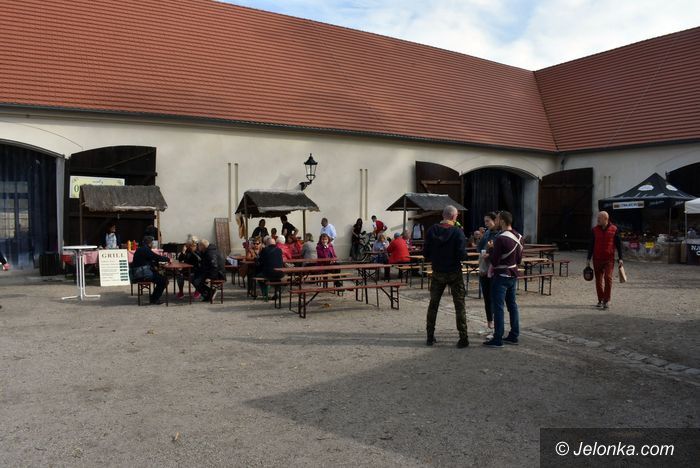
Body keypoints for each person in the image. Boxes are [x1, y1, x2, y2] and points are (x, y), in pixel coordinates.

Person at [424, 205, 468, 348]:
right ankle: (463, 338)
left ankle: (430, 337)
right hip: (454, 272)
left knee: (433, 305)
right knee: (459, 305)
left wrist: (436, 258)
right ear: (454, 217)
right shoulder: (458, 232)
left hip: (437, 272)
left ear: (443, 215)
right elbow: (462, 254)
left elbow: (426, 252)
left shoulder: (432, 230)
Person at [483, 211, 523, 348]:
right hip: (513, 274)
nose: (497, 221)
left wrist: (490, 250)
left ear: (503, 221)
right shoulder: (519, 236)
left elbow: (494, 261)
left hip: (501, 275)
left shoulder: (500, 238)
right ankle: (514, 335)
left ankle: (498, 338)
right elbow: (519, 260)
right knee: (512, 306)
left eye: (498, 219)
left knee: (498, 307)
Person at [587, 211, 623, 309]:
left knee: (608, 278)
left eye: (599, 218)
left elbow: (619, 245)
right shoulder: (594, 230)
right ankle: (600, 299)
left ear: (606, 219)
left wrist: (620, 258)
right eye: (597, 218)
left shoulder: (614, 229)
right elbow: (591, 245)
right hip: (597, 259)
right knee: (598, 280)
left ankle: (606, 300)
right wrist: (588, 258)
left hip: (609, 259)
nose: (597, 220)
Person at [131, 235, 170, 305]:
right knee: (164, 280)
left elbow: (151, 259)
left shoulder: (140, 249)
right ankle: (154, 299)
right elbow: (156, 257)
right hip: (142, 275)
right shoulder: (146, 250)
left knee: (160, 277)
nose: (152, 244)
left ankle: (153, 297)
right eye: (152, 243)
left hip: (137, 274)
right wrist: (168, 259)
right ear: (149, 243)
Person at [477, 212, 499, 330]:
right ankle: (490, 320)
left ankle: (496, 321)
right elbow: (479, 248)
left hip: (494, 270)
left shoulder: (500, 234)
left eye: (488, 221)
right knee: (486, 296)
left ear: (495, 220)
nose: (486, 223)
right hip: (484, 268)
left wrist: (490, 253)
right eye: (485, 221)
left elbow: (500, 253)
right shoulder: (486, 233)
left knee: (495, 296)